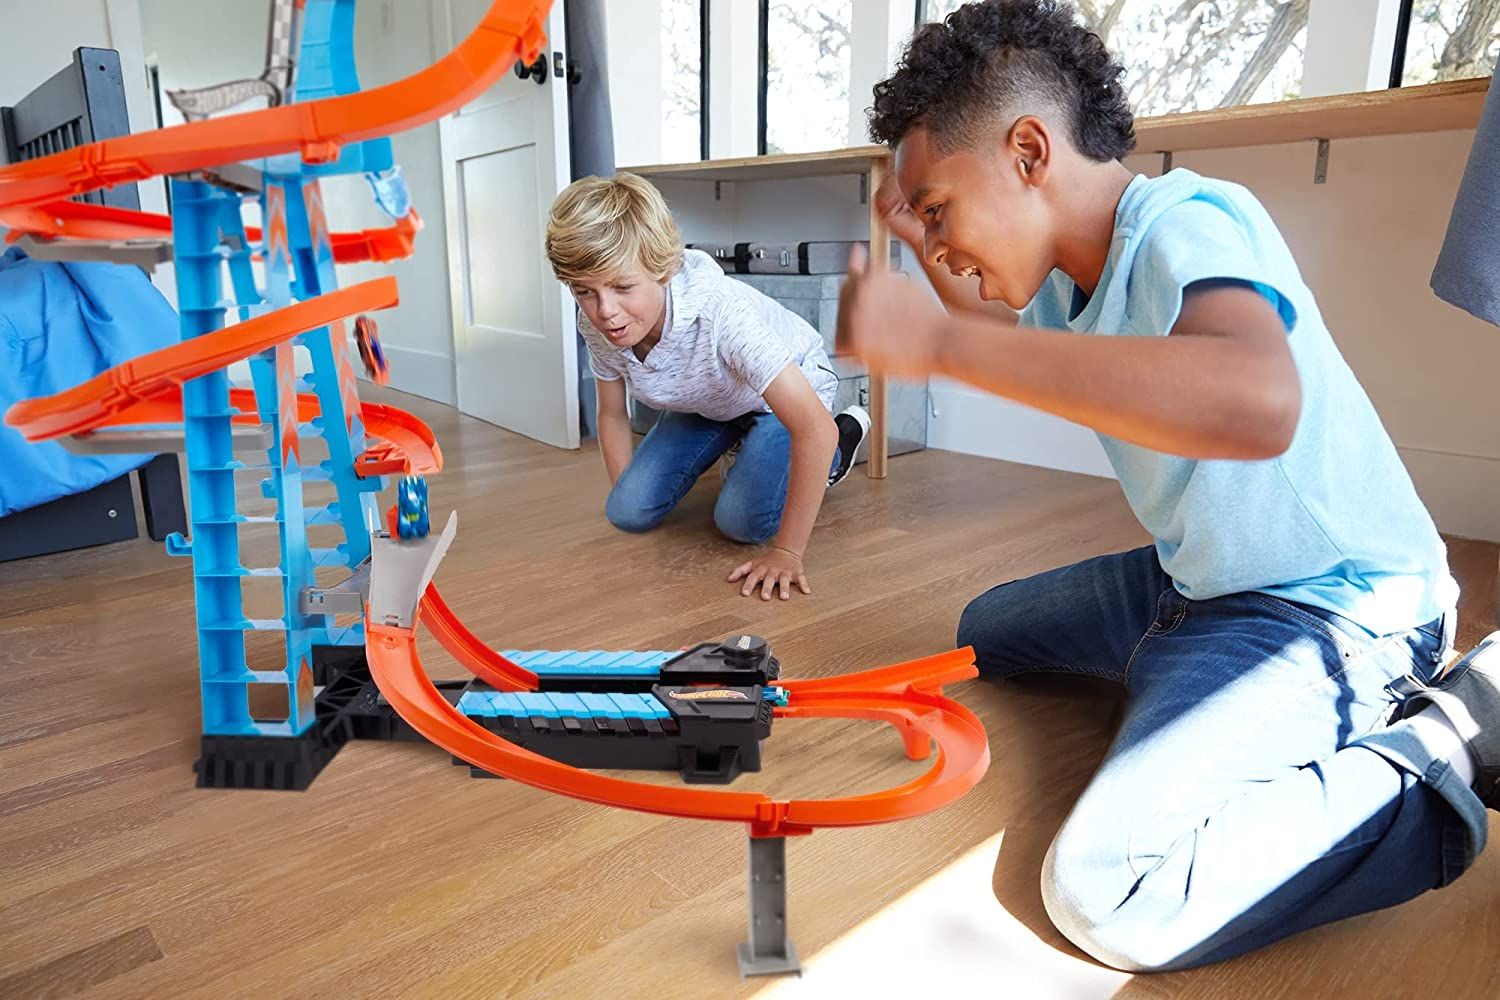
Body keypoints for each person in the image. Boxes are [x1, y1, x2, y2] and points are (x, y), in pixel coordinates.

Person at [837, 0, 1500, 971]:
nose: (937, 246)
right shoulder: (1067, 279)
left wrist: (937, 344)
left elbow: (1253, 402)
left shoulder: (1187, 220)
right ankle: (1190, 677)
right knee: (984, 632)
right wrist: (928, 262)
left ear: (1030, 151)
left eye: (939, 211)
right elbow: (1006, 331)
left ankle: (1446, 742)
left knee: (1106, 891)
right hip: (1199, 584)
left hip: (1334, 604)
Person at [546, 172, 870, 600]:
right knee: (625, 512)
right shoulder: (596, 323)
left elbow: (814, 429)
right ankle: (741, 446)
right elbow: (611, 412)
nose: (605, 311)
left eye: (623, 287)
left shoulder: (722, 315)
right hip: (711, 401)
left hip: (781, 402)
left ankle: (842, 445)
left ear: (662, 271)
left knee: (740, 523)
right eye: (584, 291)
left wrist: (788, 553)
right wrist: (632, 496)